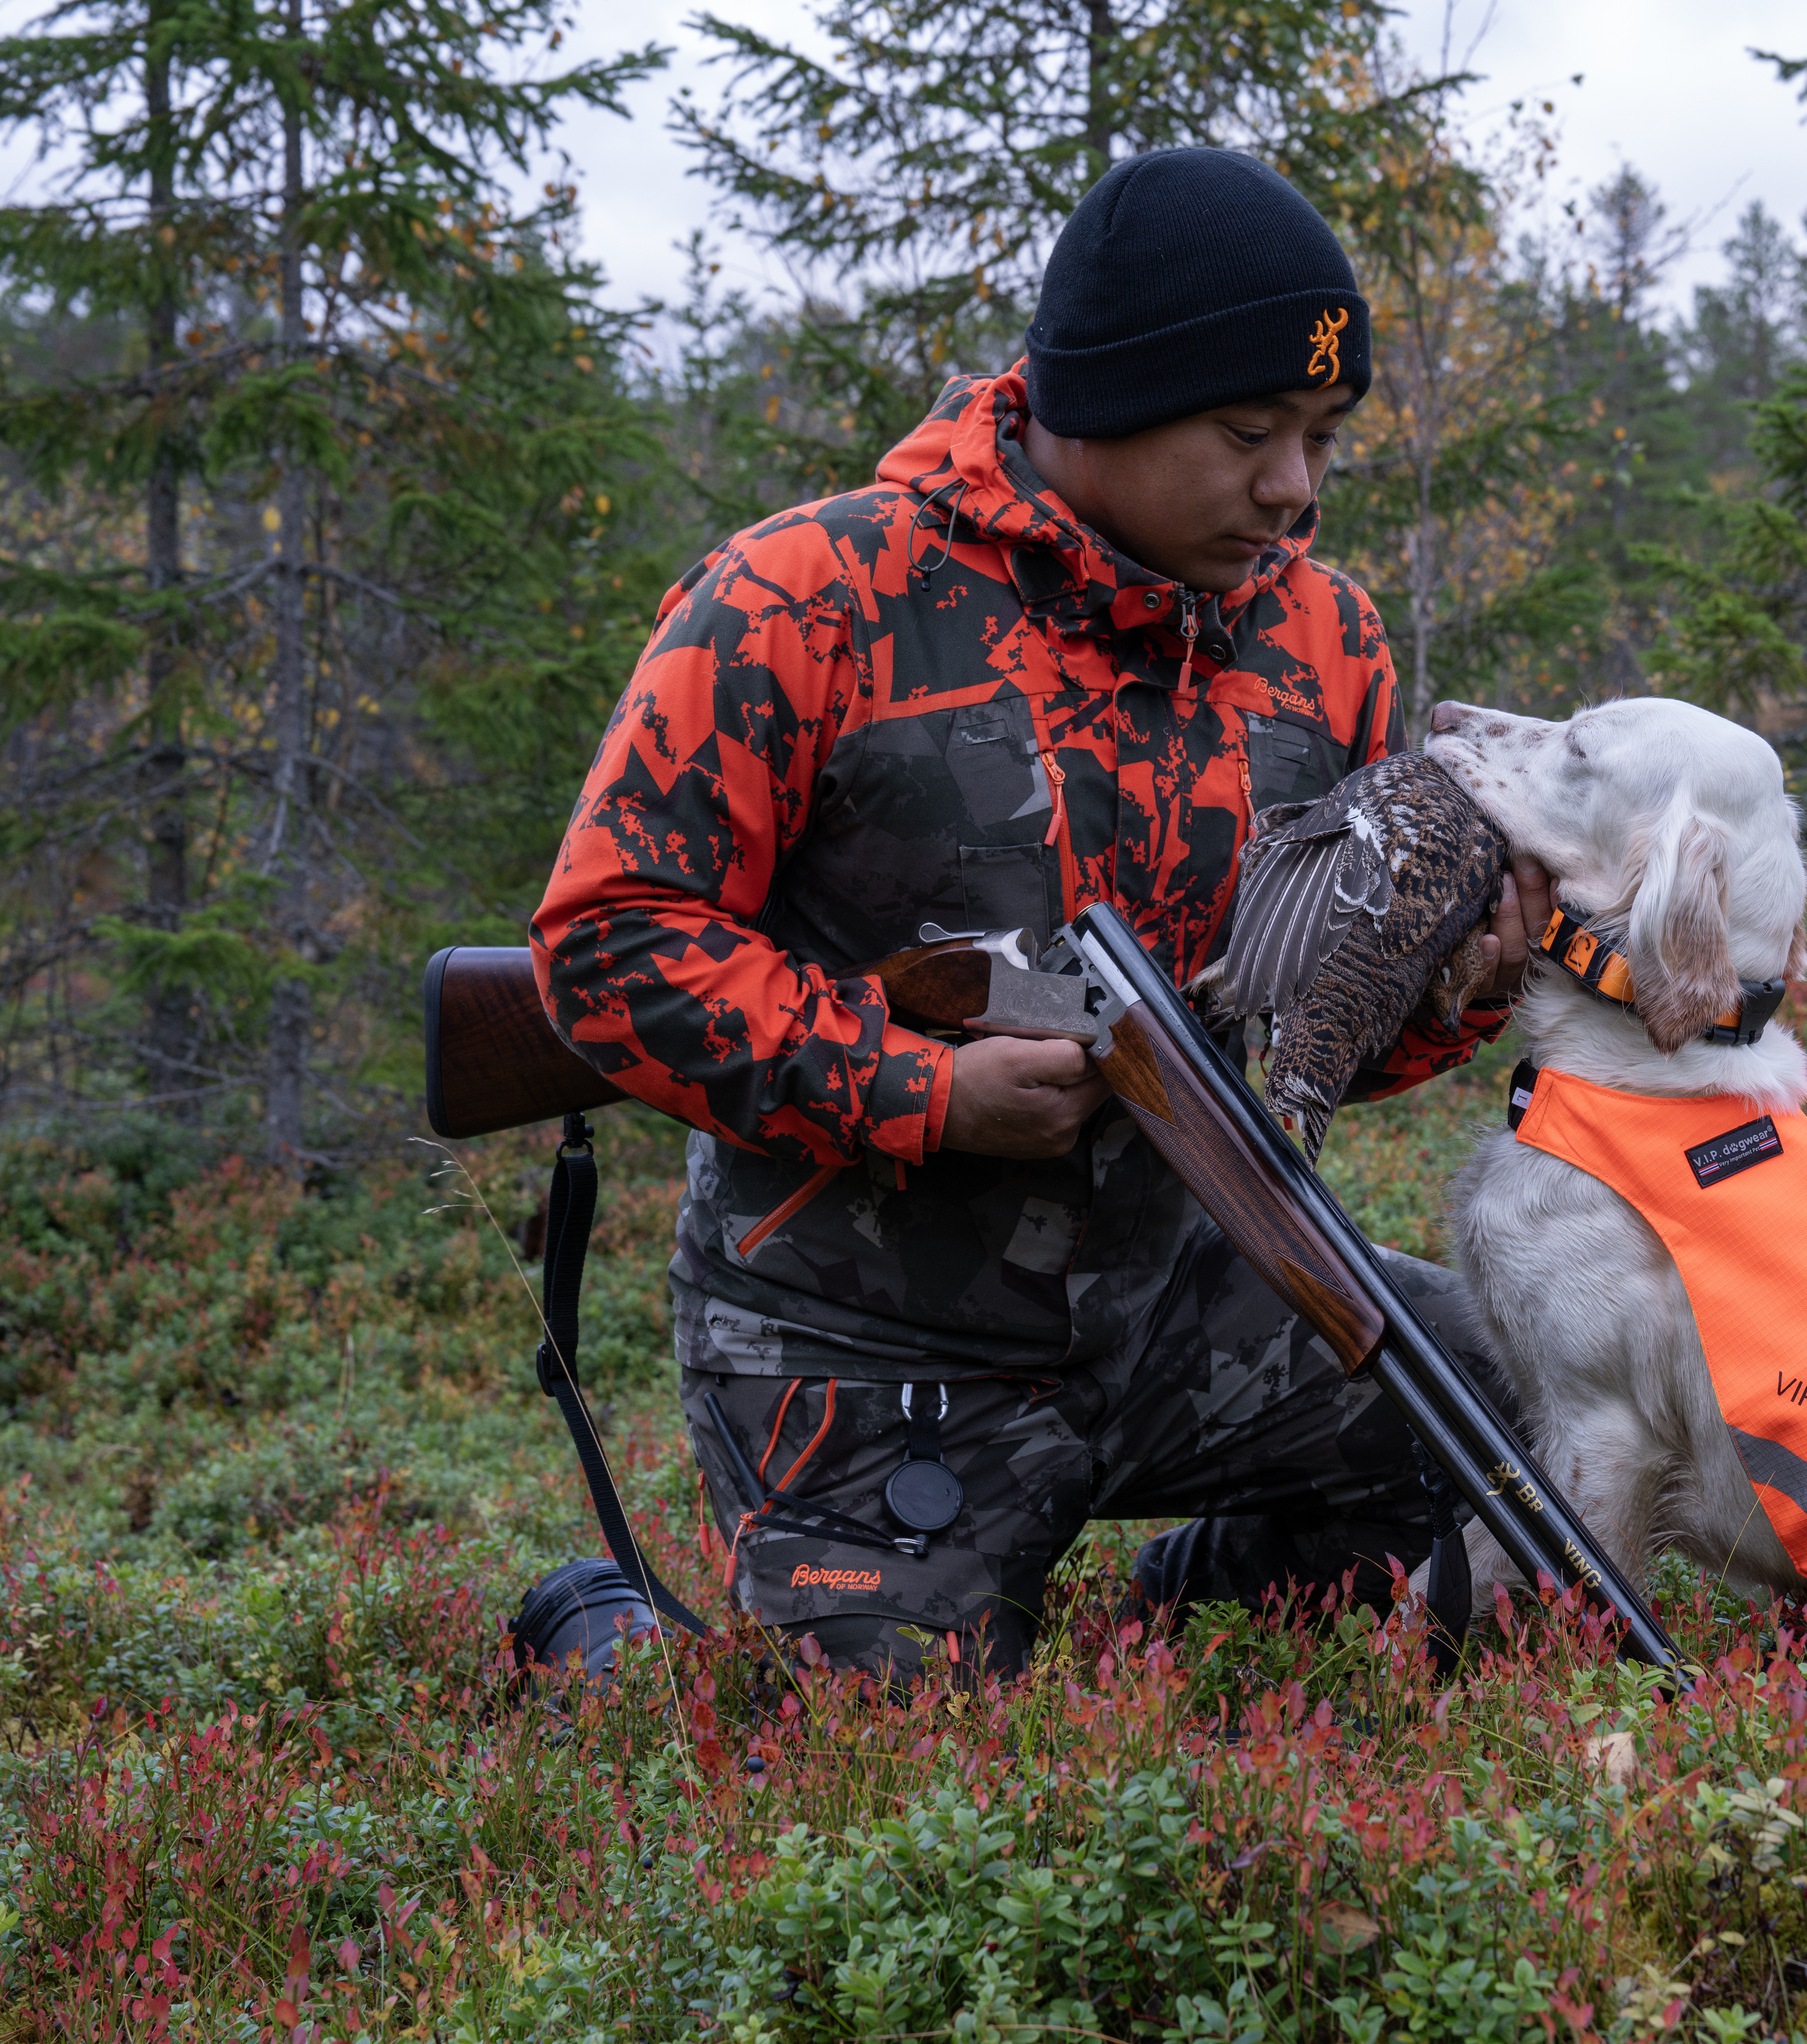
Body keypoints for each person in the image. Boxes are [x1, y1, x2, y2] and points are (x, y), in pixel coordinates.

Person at [531, 147, 1551, 1682]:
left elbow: (1300, 1025)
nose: (1296, 488)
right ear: (1102, 402)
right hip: (862, 1341)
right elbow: (605, 946)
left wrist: (1456, 990)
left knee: (1527, 1423)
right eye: (1249, 432)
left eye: (1324, 438)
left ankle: (1170, 1622)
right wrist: (921, 1092)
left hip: (1194, 1288)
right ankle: (595, 1633)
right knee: (860, 1771)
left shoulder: (1322, 640)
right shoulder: (804, 597)